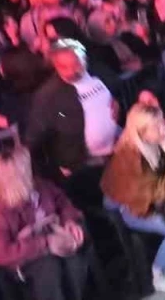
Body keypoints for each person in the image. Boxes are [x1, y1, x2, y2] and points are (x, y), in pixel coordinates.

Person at [100, 105, 165, 293]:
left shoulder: (155, 140)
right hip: (134, 208)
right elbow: (156, 191)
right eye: (157, 127)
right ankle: (159, 273)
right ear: (141, 132)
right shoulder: (130, 158)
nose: (163, 129)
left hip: (152, 201)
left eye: (162, 123)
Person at [0, 146, 88, 300]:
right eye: (25, 171)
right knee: (49, 268)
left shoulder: (41, 186)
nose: (31, 171)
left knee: (74, 259)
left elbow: (62, 202)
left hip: (55, 239)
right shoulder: (0, 215)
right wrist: (44, 243)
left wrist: (69, 220)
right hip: (27, 259)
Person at [26, 38, 118, 207]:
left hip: (115, 151)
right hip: (83, 165)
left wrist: (117, 101)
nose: (72, 70)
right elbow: (35, 136)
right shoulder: (47, 96)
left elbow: (118, 85)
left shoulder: (98, 71)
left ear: (85, 58)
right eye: (64, 67)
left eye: (77, 64)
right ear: (55, 66)